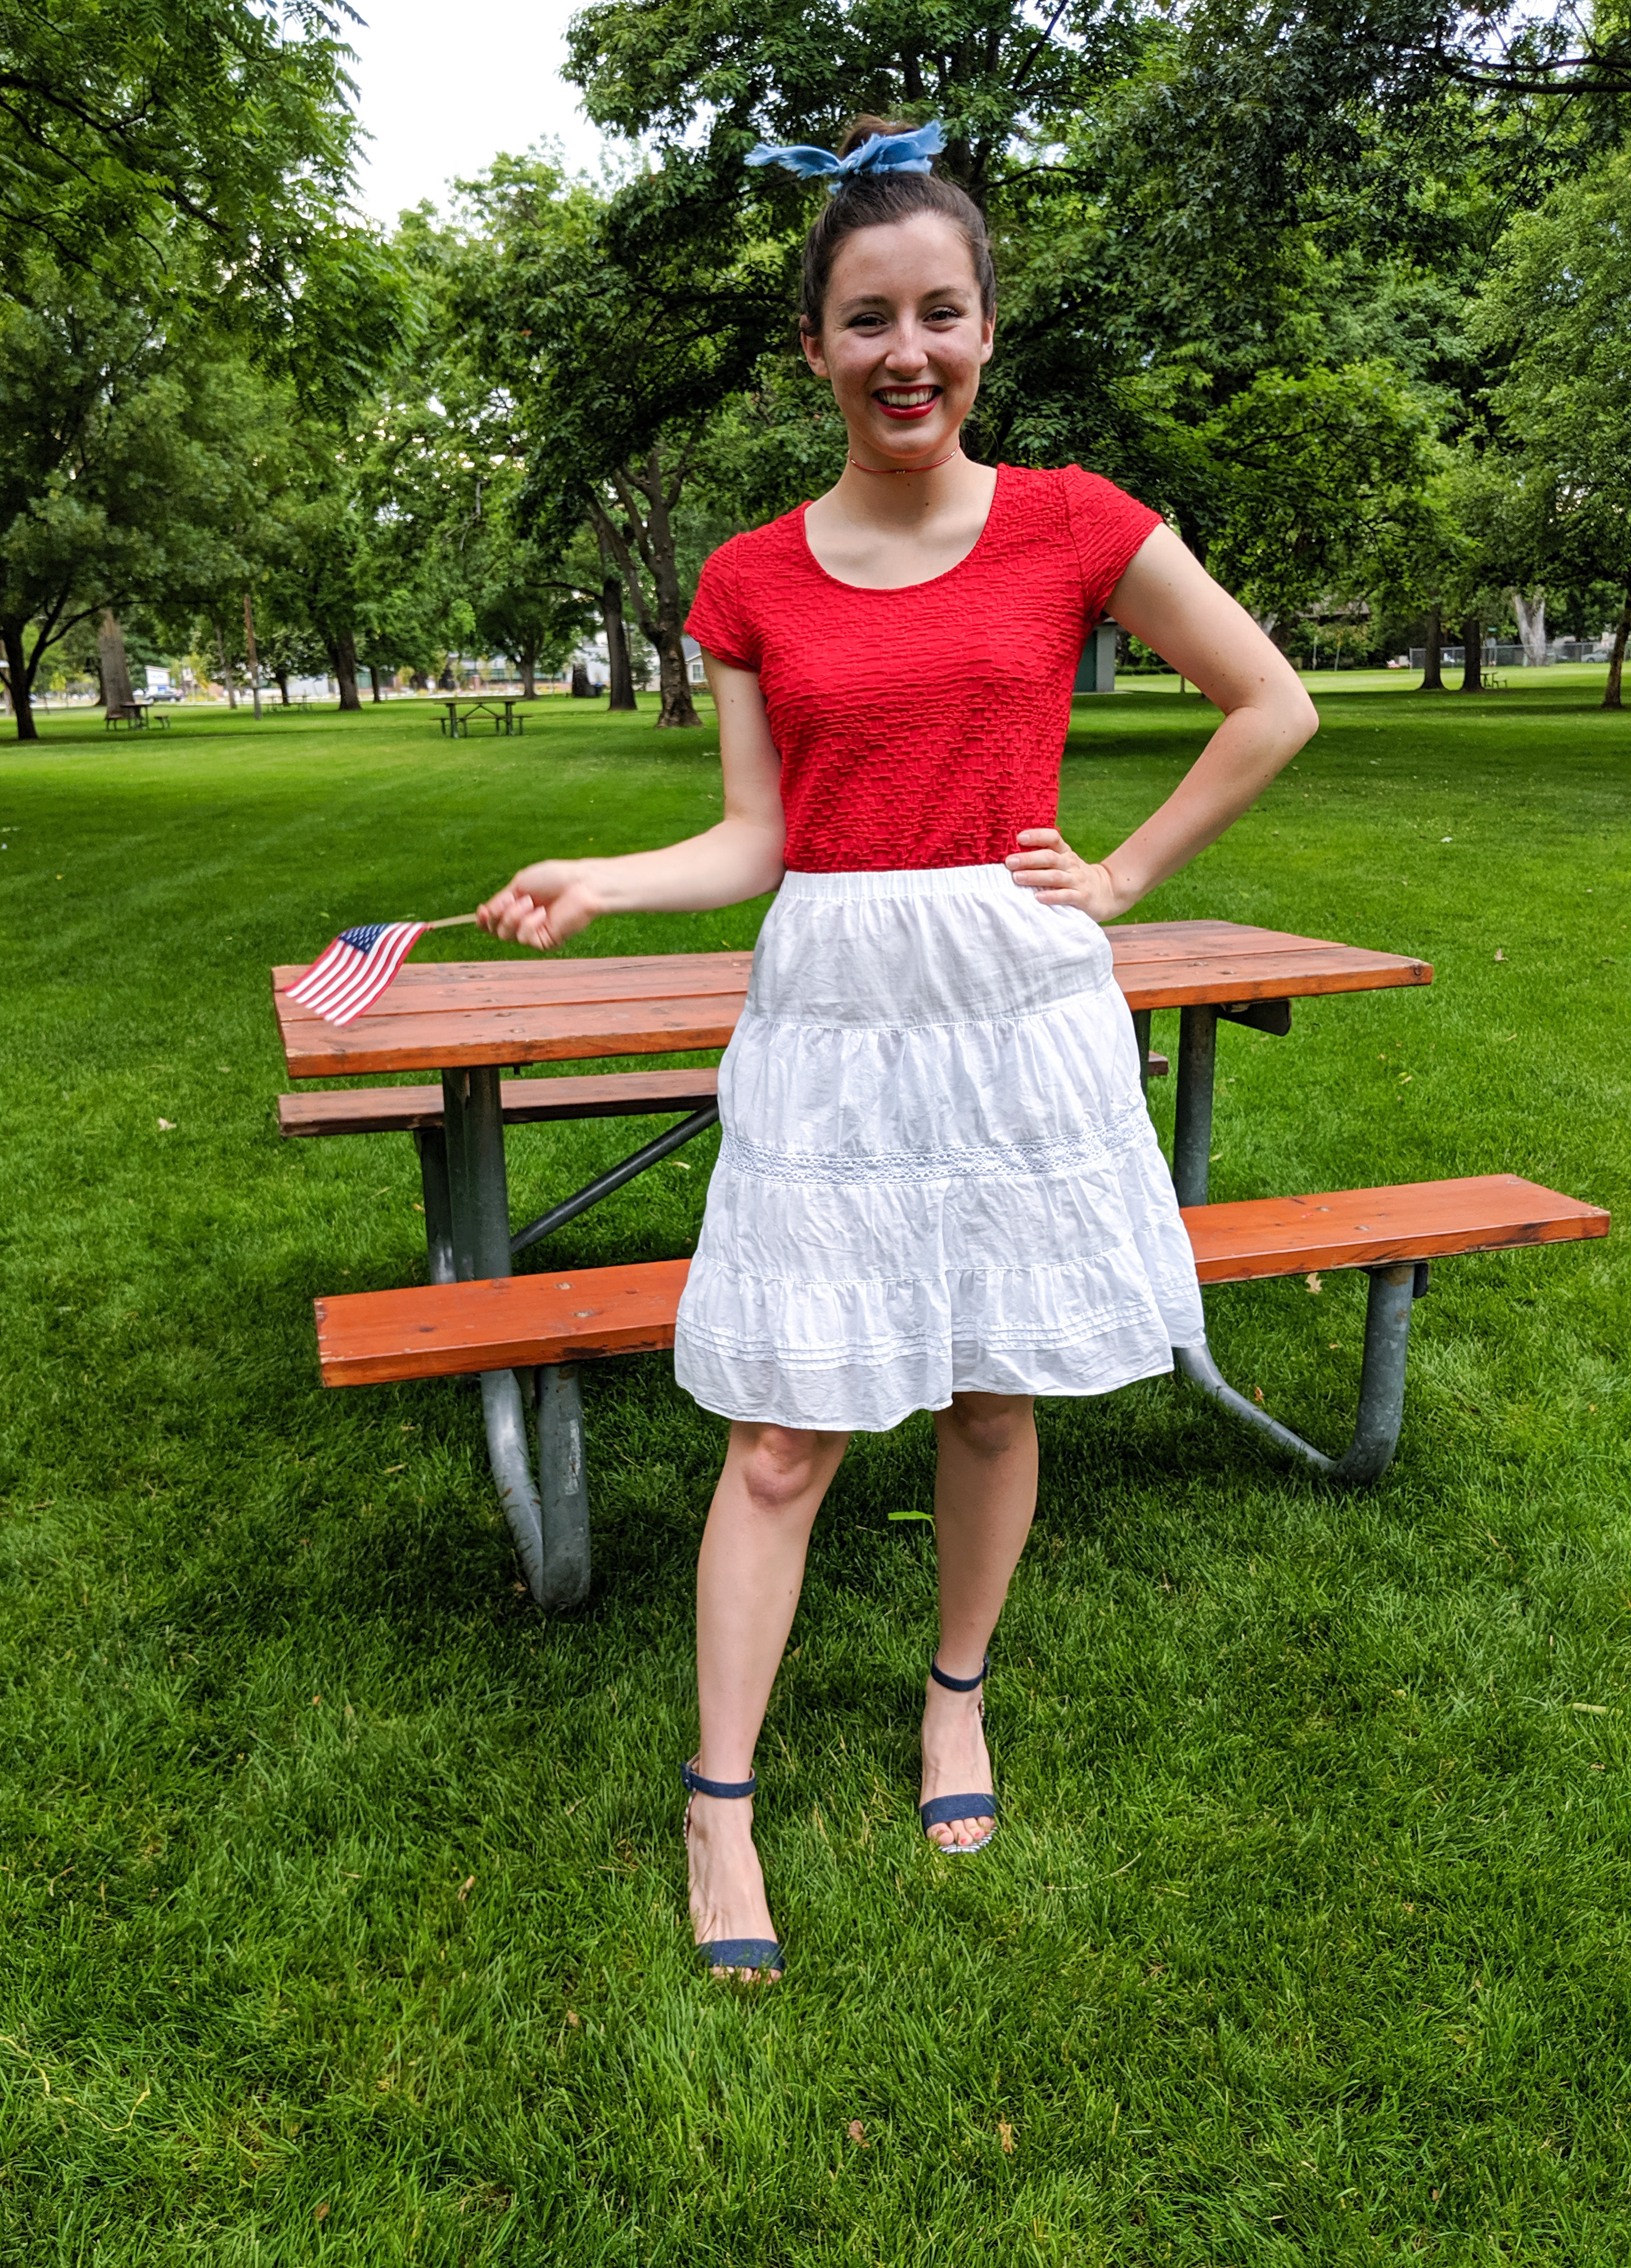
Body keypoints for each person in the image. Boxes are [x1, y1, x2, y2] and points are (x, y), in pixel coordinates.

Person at [476, 115, 1318, 1983]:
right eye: (868, 320)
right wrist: (604, 882)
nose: (906, 352)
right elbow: (759, 838)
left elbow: (1273, 700)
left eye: (941, 312)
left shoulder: (1076, 524)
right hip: (839, 1015)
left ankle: (956, 1696)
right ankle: (720, 1803)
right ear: (816, 349)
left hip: (1015, 1003)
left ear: (987, 331)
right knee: (785, 1430)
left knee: (992, 1389)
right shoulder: (749, 578)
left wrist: (1127, 872)